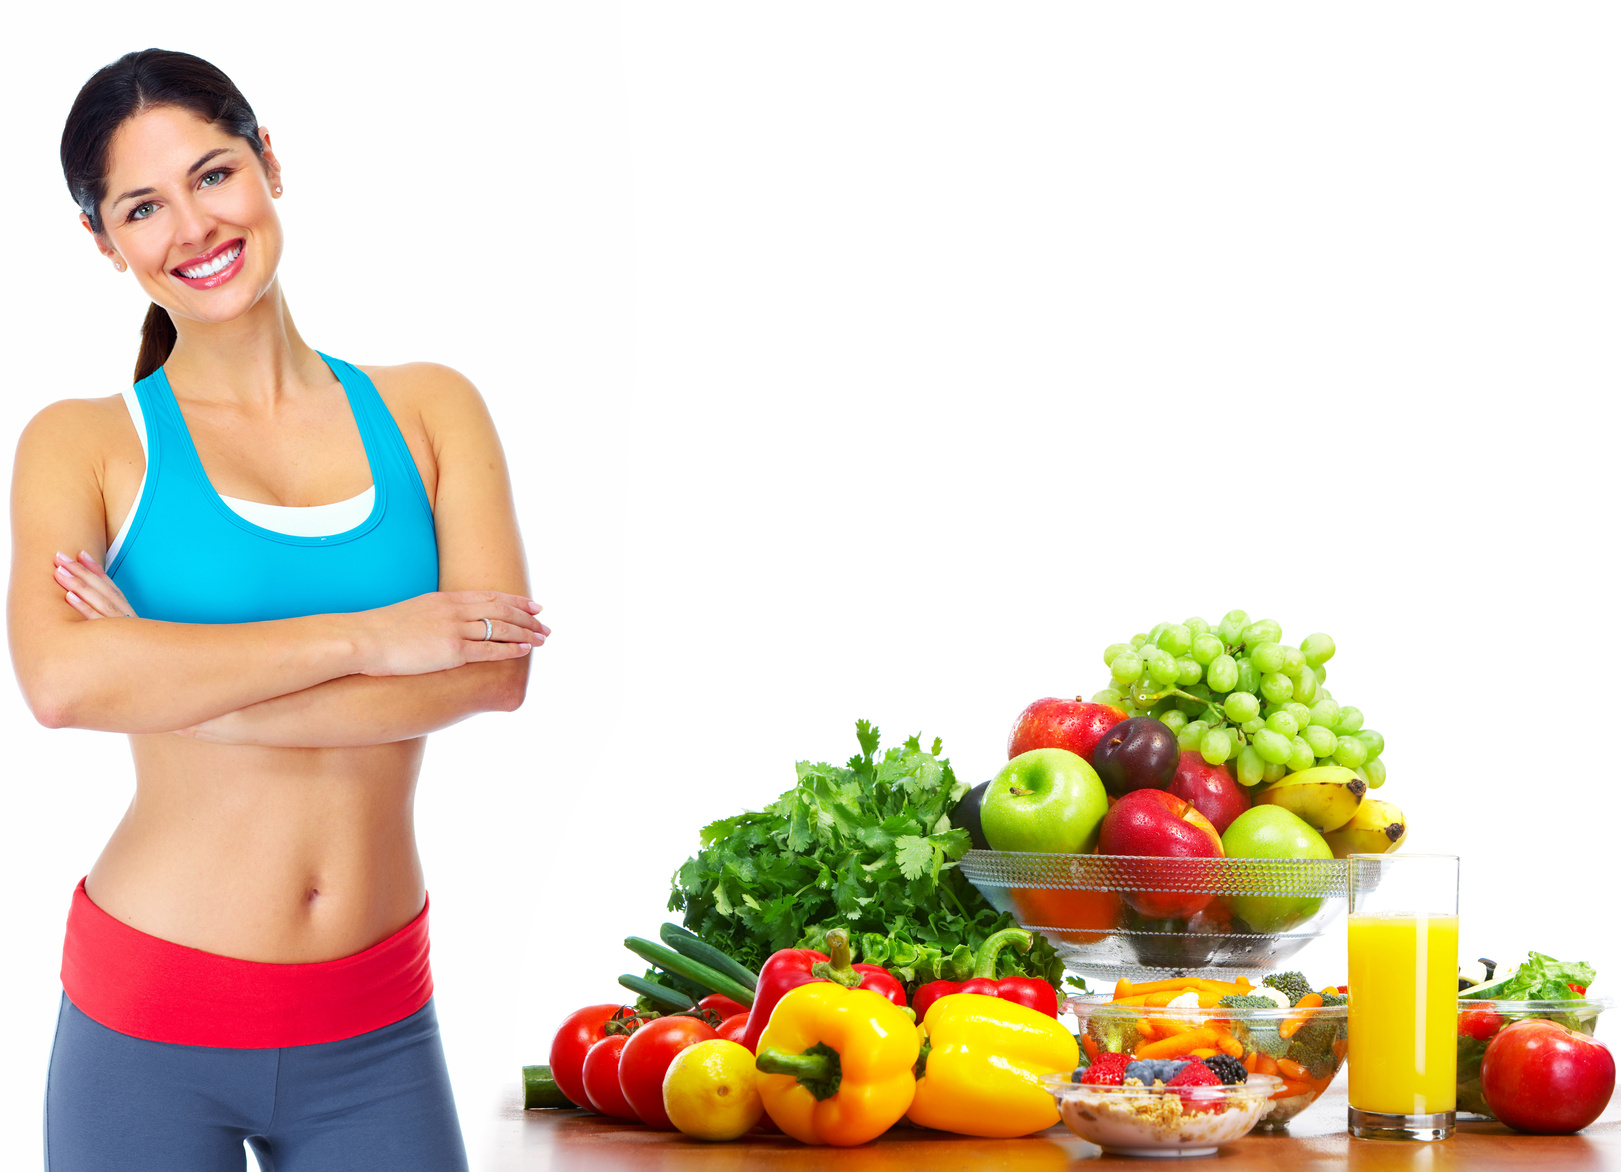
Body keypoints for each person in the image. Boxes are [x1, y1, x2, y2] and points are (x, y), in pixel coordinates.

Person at [9, 49, 547, 1171]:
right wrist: (373, 637)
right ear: (105, 243)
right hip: (147, 1012)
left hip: (376, 1023)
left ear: (269, 164)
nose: (193, 226)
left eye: (213, 174)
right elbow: (63, 685)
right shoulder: (86, 440)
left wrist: (173, 687)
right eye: (142, 206)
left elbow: (494, 671)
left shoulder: (431, 407)